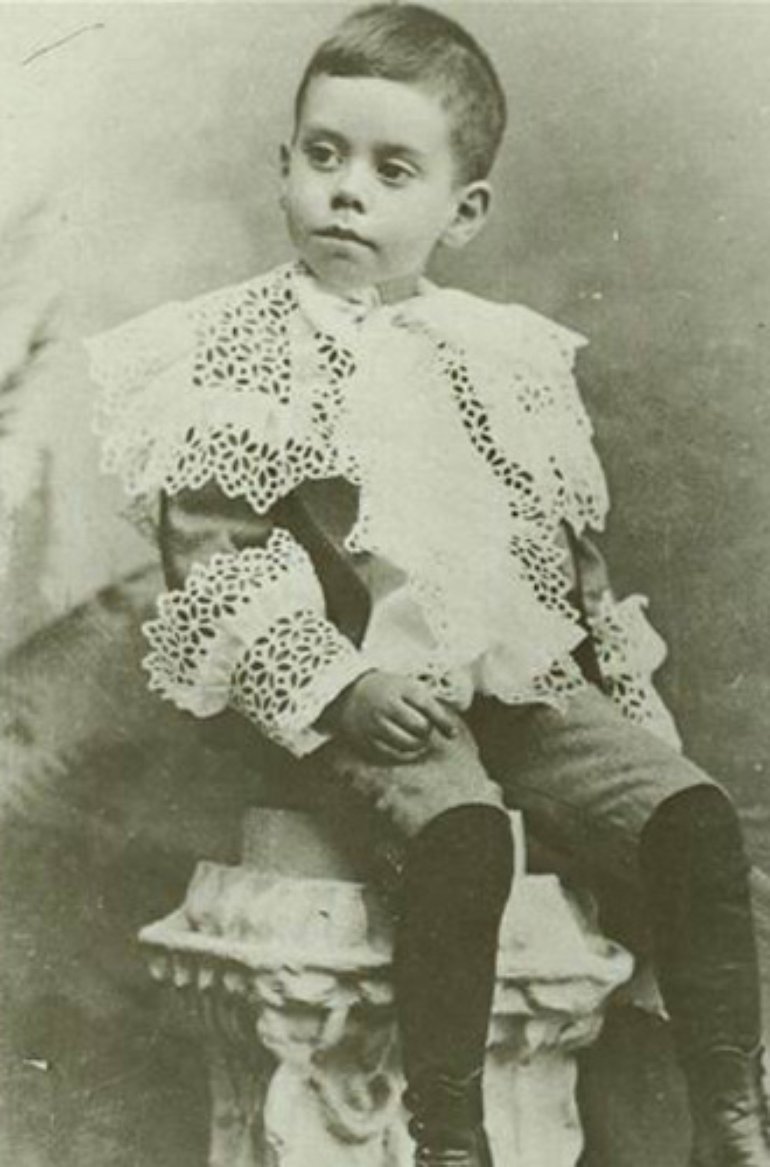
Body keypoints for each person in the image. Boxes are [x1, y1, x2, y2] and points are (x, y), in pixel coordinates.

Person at [86, 5, 770, 1165]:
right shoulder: (236, 349)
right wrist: (342, 688)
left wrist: (618, 710)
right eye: (322, 155)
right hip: (358, 697)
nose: (345, 193)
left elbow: (562, 556)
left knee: (687, 815)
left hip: (517, 686)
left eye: (390, 170)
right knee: (461, 835)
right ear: (284, 165)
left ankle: (730, 1117)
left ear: (463, 211)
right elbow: (217, 552)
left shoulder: (502, 354)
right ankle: (450, 1136)